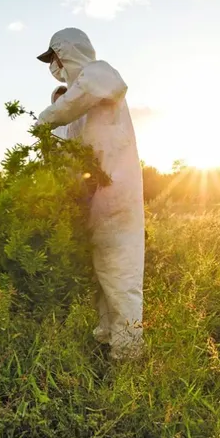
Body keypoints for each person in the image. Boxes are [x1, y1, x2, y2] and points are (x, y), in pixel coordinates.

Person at [34, 28, 145, 361]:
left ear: (68, 52)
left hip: (116, 191)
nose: (54, 67)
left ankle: (129, 353)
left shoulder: (99, 74)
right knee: (101, 272)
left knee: (120, 271)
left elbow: (81, 95)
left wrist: (45, 118)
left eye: (55, 58)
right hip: (94, 198)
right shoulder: (77, 108)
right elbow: (71, 156)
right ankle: (108, 337)